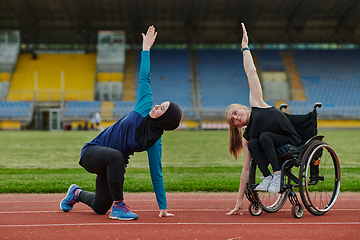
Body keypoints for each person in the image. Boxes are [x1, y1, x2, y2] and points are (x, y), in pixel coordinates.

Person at [60, 25, 182, 220]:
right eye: (160, 104)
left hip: (111, 165)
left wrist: (163, 207)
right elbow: (145, 77)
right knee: (116, 156)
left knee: (100, 207)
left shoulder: (154, 141)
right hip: (92, 152)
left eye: (162, 108)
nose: (157, 105)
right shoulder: (145, 105)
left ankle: (75, 193)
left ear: (166, 120)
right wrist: (146, 49)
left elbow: (156, 174)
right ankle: (119, 206)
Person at [226, 23, 302, 216]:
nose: (235, 117)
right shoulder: (246, 135)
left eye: (235, 112)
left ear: (243, 108)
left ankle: (276, 176)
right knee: (253, 142)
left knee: (265, 136)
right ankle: (268, 177)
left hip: (291, 142)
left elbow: (251, 72)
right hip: (272, 147)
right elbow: (245, 170)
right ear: (236, 125)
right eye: (233, 120)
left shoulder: (256, 102)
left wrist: (245, 48)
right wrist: (239, 201)